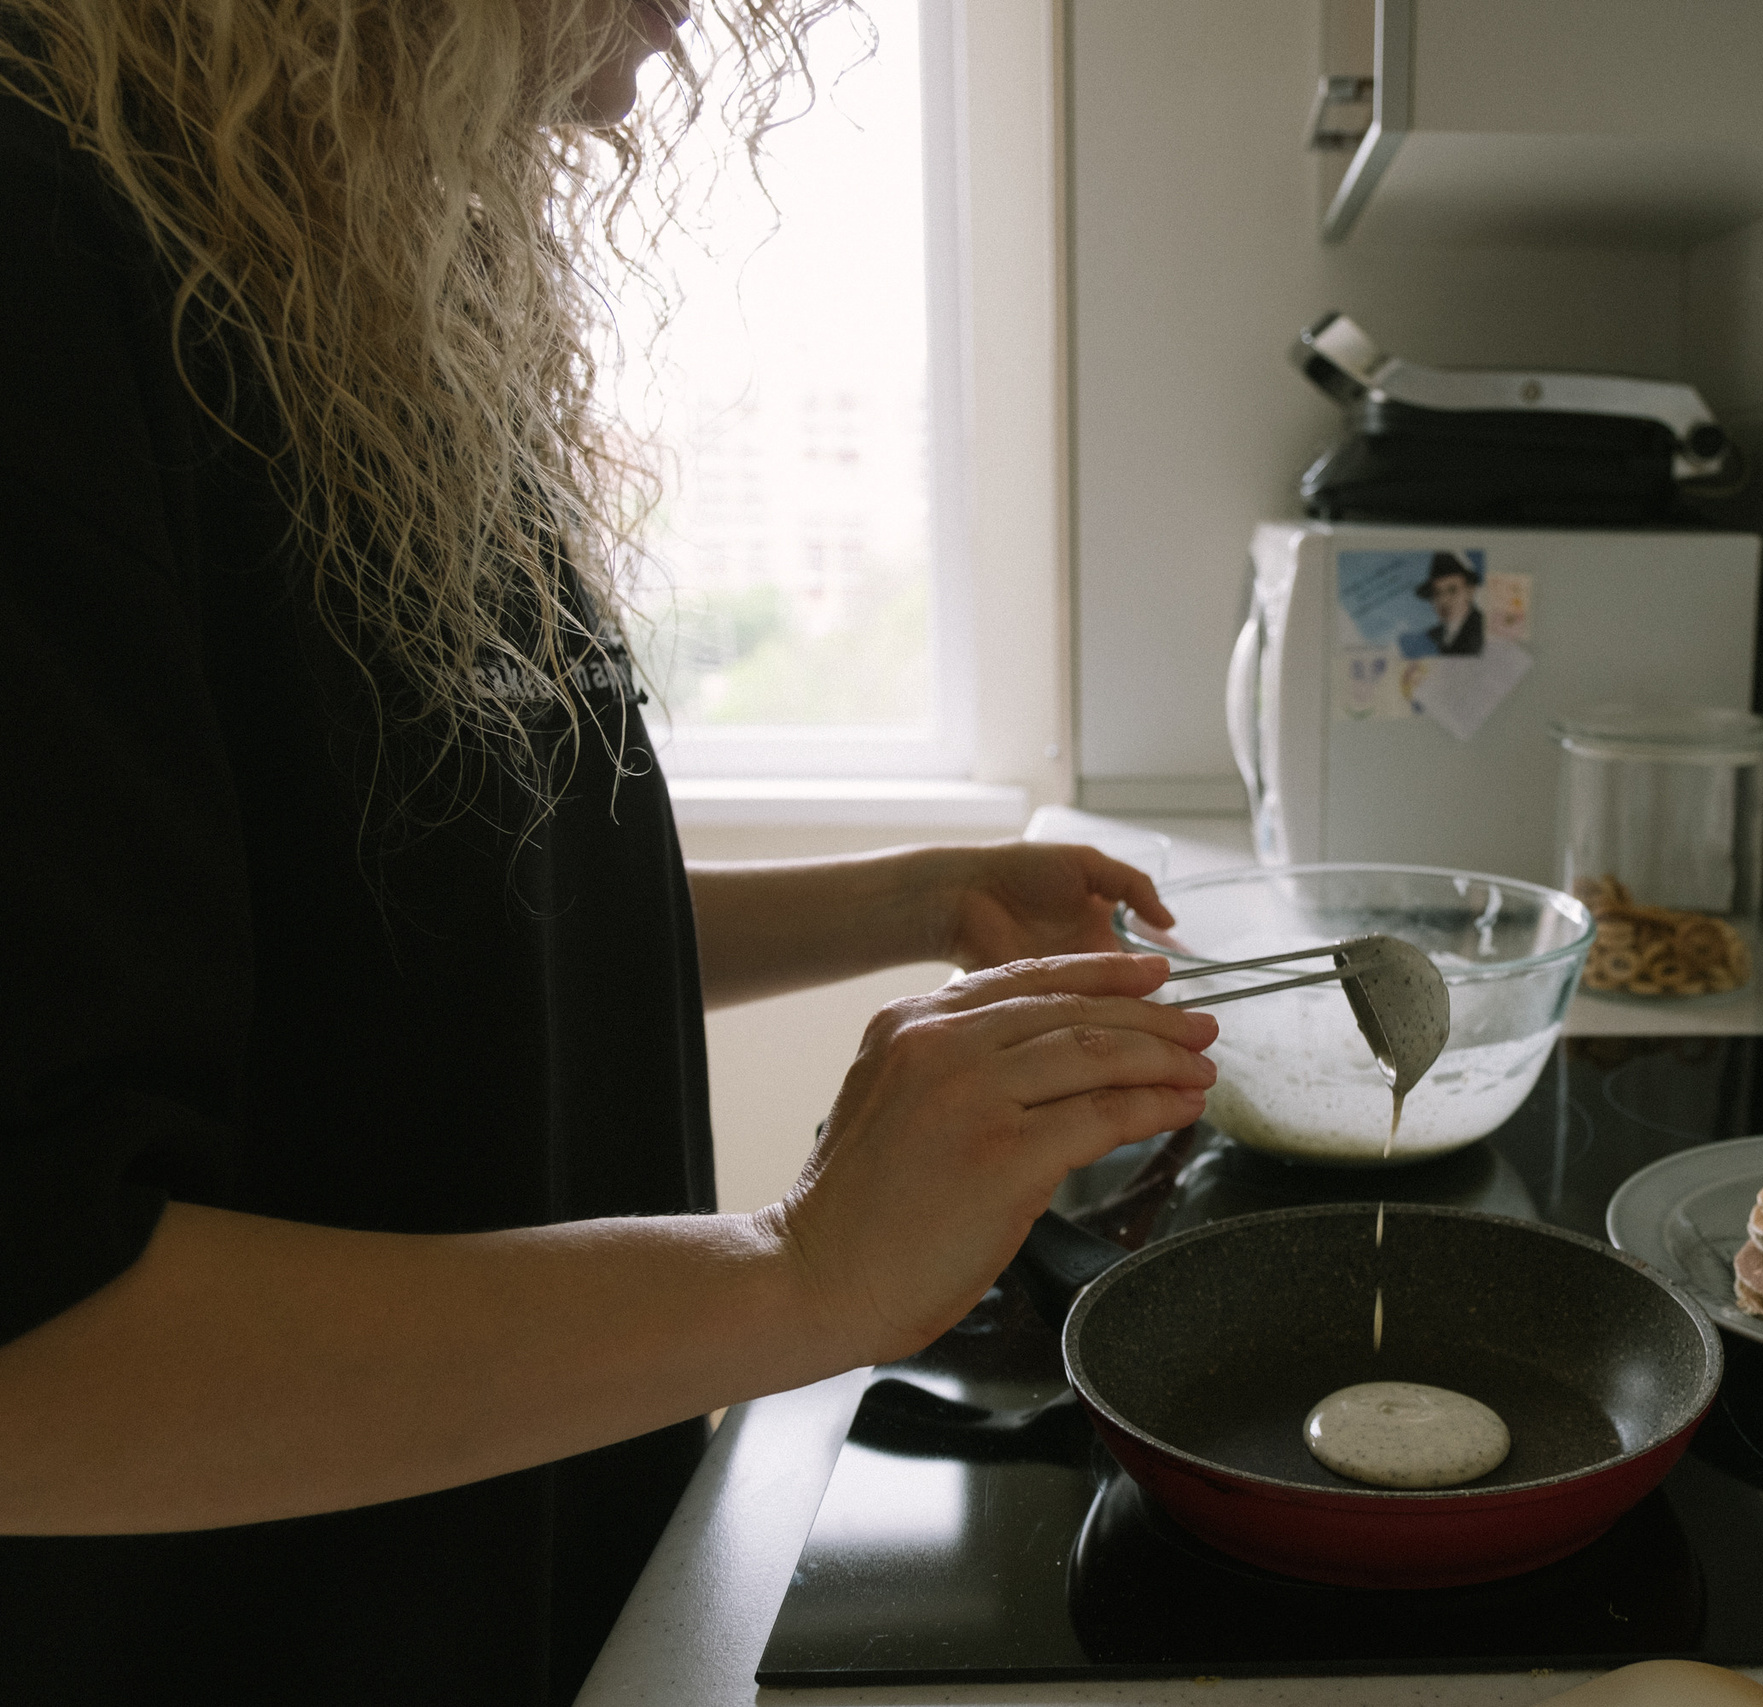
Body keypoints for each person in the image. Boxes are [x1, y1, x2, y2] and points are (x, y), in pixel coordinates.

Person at [0, 3, 1214, 1702]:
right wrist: (801, 1273)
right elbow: (33, 1344)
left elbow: (414, 916)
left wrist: (908, 903)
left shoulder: (321, 261)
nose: (684, 13)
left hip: (522, 1579)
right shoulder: (44, 248)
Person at [1411, 551, 1485, 656]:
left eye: (1452, 590)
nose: (1443, 600)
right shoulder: (1430, 636)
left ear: (1470, 591)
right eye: (1437, 593)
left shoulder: (1483, 629)